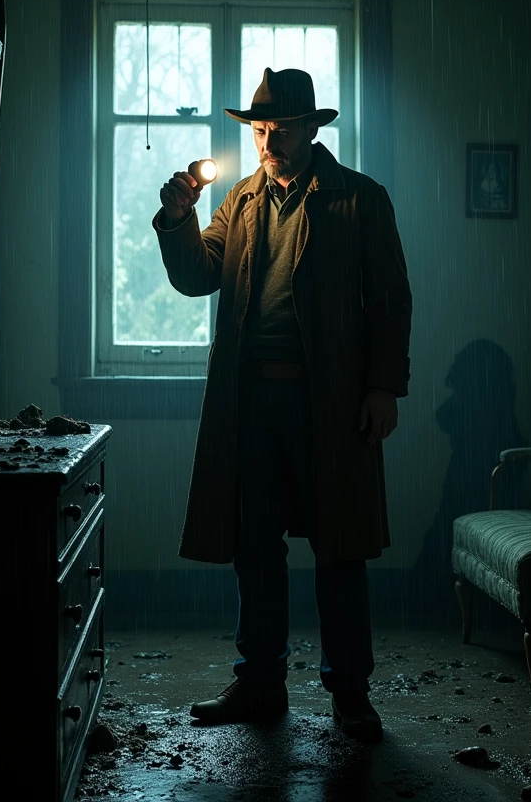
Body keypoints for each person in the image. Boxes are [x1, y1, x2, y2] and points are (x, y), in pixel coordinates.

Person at [153, 67, 412, 743]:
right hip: (252, 400)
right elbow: (196, 276)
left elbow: (390, 301)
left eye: (282, 129)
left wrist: (383, 386)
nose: (269, 140)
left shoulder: (359, 200)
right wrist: (178, 220)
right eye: (261, 129)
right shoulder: (239, 202)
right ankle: (261, 682)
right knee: (253, 545)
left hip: (328, 402)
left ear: (312, 128)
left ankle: (349, 692)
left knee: (340, 547)